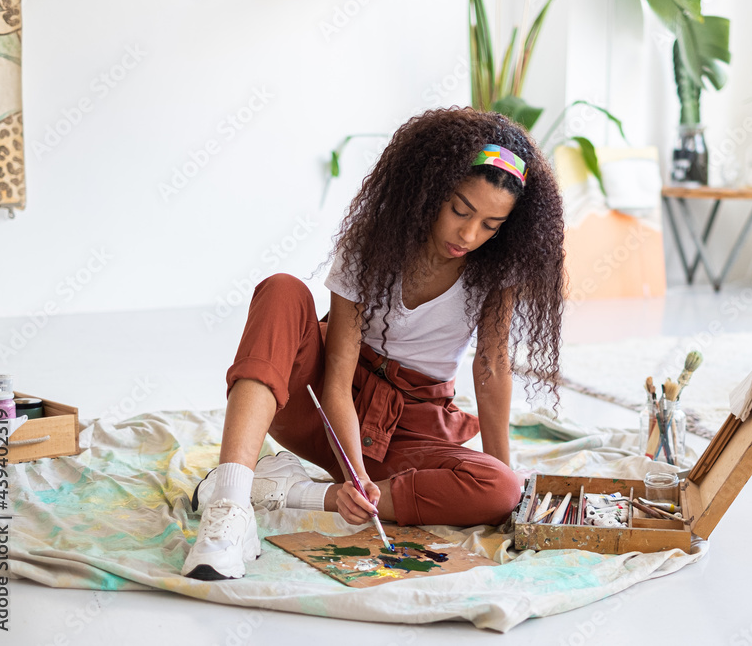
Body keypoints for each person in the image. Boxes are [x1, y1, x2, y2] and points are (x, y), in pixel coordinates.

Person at [181, 108, 565, 580]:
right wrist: (354, 473)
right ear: (432, 189)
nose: (469, 235)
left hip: (412, 425)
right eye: (461, 211)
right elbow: (337, 381)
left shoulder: (495, 268)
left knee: (500, 489)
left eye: (490, 225)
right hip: (323, 403)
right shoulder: (374, 243)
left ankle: (294, 491)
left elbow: (491, 368)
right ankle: (230, 506)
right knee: (282, 289)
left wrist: (506, 483)